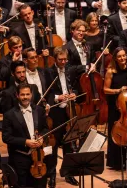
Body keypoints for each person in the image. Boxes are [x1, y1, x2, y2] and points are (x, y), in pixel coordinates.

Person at [44, 46, 79, 187]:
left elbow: (76, 86)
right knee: (54, 144)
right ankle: (51, 175)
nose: (63, 62)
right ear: (55, 59)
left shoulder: (70, 70)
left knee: (69, 144)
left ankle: (68, 173)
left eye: (65, 59)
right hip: (56, 112)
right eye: (60, 60)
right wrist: (58, 97)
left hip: (69, 110)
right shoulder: (48, 72)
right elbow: (46, 92)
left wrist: (74, 93)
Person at [2, 83, 48, 188]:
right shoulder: (9, 114)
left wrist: (42, 137)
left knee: (40, 185)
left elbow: (45, 129)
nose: (25, 97)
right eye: (22, 95)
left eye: (28, 94)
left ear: (31, 95)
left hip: (38, 157)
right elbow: (6, 137)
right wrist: (25, 142)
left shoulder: (39, 110)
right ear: (17, 95)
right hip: (20, 158)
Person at [103, 47, 127, 170]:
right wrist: (118, 90)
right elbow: (105, 89)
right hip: (116, 106)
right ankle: (116, 162)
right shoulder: (111, 71)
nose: (122, 58)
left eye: (124, 55)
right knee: (116, 131)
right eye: (119, 56)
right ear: (115, 58)